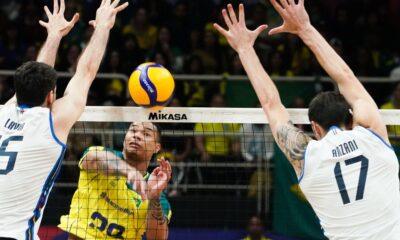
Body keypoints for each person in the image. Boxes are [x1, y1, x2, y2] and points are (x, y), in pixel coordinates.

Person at [214, 1, 400, 239]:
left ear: (314, 127)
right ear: (351, 117)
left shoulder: (305, 156)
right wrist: (304, 27)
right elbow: (345, 76)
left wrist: (244, 49)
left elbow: (271, 105)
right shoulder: (373, 135)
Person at [0, 0, 128, 239]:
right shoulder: (52, 124)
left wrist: (54, 36)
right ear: (51, 96)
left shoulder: (3, 112)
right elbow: (86, 72)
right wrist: (102, 27)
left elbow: (37, 76)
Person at [59, 122, 172, 240]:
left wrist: (154, 196)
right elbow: (93, 159)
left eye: (146, 134)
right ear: (124, 139)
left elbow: (157, 238)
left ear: (156, 147)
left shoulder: (159, 196)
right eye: (133, 131)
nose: (137, 135)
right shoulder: (101, 153)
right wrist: (129, 171)